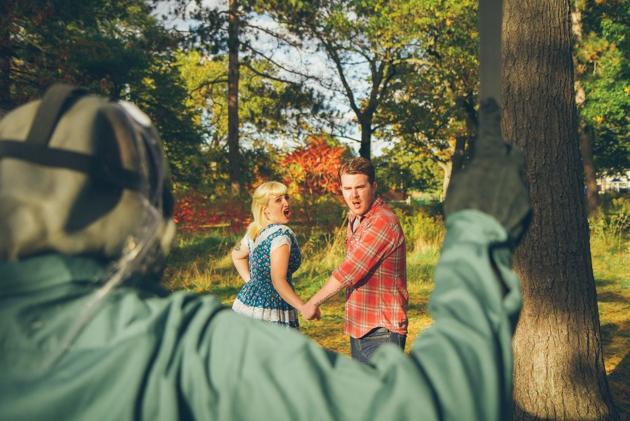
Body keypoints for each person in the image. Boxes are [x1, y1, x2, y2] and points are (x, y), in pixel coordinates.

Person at [0, 84, 530, 420]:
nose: (349, 195)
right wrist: (478, 231)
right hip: (351, 322)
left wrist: (299, 298)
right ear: (146, 214)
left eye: (357, 187)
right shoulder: (186, 350)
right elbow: (433, 407)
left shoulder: (376, 221)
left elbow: (340, 269)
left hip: (378, 323)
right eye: (344, 187)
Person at [302, 157, 408, 363]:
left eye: (360, 187)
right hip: (361, 325)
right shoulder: (356, 218)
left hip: (381, 331)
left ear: (374, 186)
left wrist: (312, 302)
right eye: (347, 188)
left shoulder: (382, 221)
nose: (354, 195)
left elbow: (349, 271)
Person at [231, 181, 315, 327]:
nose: (286, 203)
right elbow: (279, 281)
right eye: (278, 200)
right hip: (272, 310)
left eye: (286, 197)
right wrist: (303, 307)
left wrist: (252, 282)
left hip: (245, 305)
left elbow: (236, 255)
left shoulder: (254, 231)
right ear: (265, 210)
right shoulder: (281, 234)